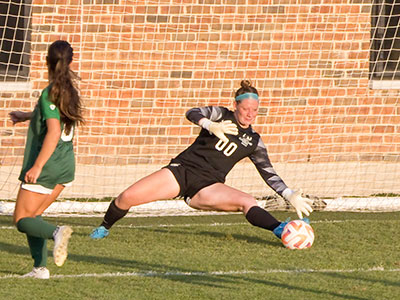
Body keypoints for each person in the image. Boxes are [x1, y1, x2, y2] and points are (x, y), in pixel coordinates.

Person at [90, 80, 313, 241]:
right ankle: (104, 227)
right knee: (126, 197)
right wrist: (210, 125)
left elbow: (268, 172)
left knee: (247, 201)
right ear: (236, 105)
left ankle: (280, 229)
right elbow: (192, 112)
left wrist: (288, 194)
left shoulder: (254, 141)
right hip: (181, 172)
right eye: (245, 109)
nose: (250, 114)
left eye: (254, 110)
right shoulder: (221, 114)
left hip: (209, 186)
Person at [10, 40, 84, 279]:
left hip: (48, 166)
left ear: (47, 62)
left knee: (21, 218)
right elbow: (54, 116)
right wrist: (27, 115)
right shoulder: (69, 90)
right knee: (33, 215)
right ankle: (39, 268)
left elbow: (53, 130)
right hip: (65, 166)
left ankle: (57, 232)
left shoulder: (49, 92)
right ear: (70, 62)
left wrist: (38, 166)